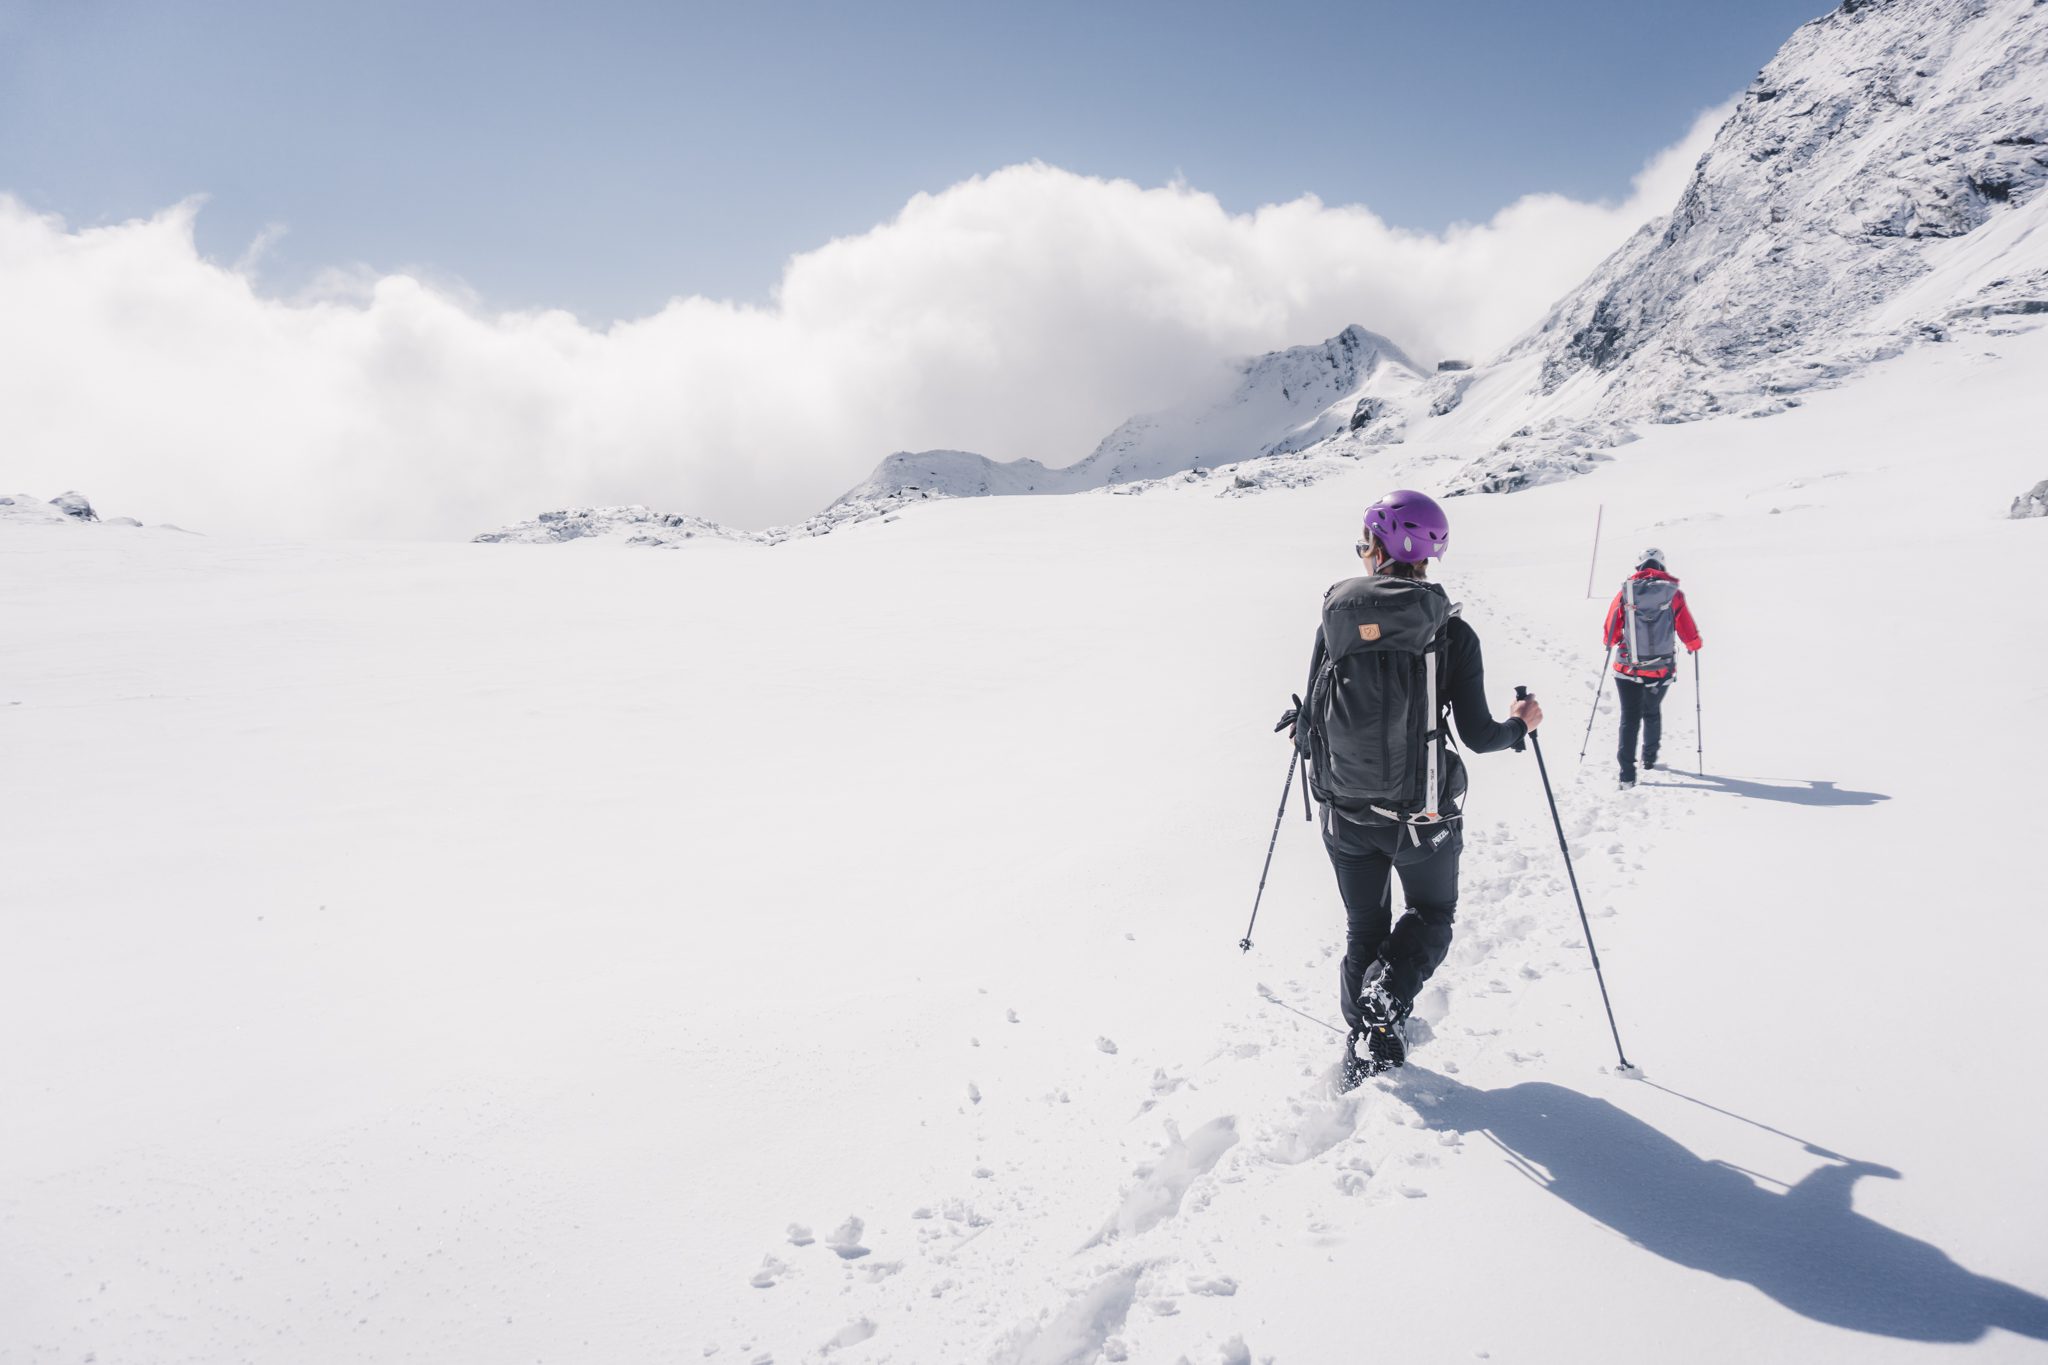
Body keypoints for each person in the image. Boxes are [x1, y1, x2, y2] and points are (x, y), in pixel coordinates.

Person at [1283, 490, 1541, 1090]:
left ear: (1377, 548)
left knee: (1363, 929)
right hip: (1422, 819)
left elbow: (1316, 717)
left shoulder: (1336, 620)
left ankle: (1364, 1048)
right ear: (1429, 554)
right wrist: (1519, 727)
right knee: (1431, 914)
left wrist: (1299, 730)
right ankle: (1389, 999)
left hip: (1346, 816)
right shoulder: (1452, 634)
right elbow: (1478, 735)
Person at [1602, 548, 1703, 788]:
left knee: (1629, 717)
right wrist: (1694, 644)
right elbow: (1687, 630)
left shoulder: (1626, 592)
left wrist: (1613, 641)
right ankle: (1649, 757)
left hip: (1627, 669)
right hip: (1661, 669)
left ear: (1638, 568)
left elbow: (1610, 631)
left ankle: (1627, 774)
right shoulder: (1673, 594)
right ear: (1662, 567)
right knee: (1651, 711)